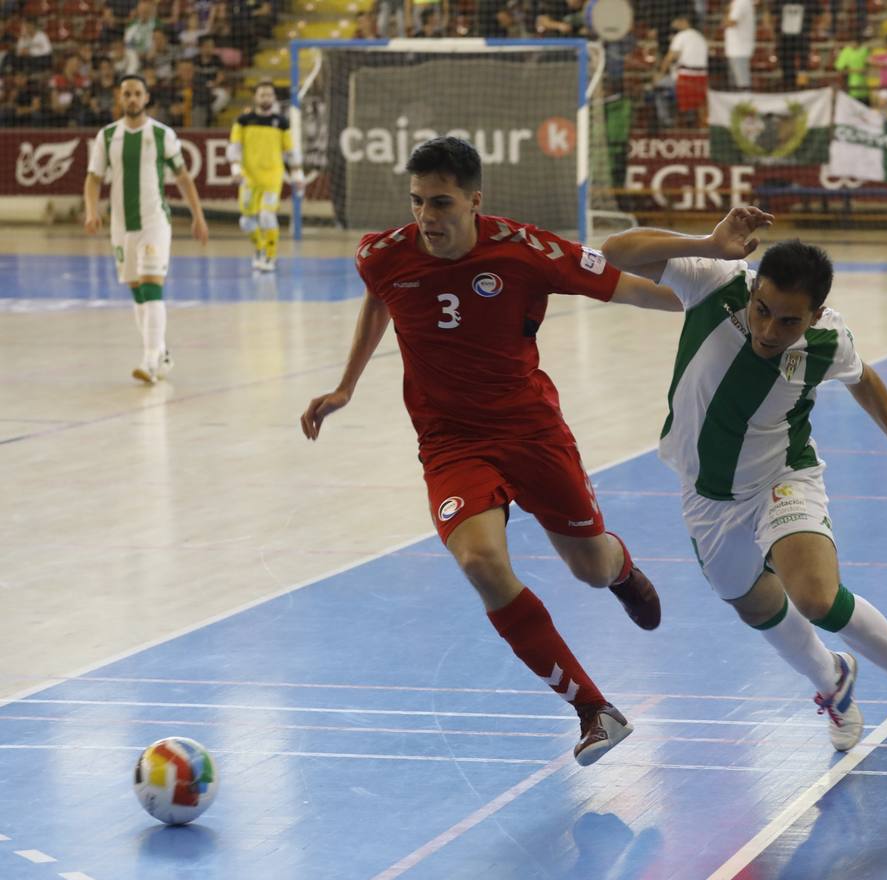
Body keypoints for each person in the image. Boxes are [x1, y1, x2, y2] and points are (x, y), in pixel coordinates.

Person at [299, 136, 678, 766]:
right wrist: (346, 385)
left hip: (531, 431)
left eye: (442, 203)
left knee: (588, 565)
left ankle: (620, 569)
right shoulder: (383, 254)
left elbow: (625, 287)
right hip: (450, 442)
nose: (427, 217)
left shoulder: (526, 250)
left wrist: (717, 308)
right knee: (479, 560)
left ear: (476, 199)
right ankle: (593, 709)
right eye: (418, 202)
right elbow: (379, 299)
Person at [600, 208, 887, 753]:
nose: (767, 330)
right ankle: (833, 681)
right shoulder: (715, 282)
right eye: (762, 311)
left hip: (782, 478)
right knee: (754, 605)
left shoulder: (829, 341)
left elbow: (865, 380)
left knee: (814, 596)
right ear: (754, 290)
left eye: (787, 321)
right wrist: (709, 243)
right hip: (706, 494)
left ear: (815, 316)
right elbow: (616, 250)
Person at [84, 74, 209, 385]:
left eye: (137, 93)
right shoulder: (108, 136)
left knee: (152, 286)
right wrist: (90, 211)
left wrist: (198, 215)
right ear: (119, 98)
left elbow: (182, 177)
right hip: (121, 226)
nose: (132, 99)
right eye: (127, 93)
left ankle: (150, 359)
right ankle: (161, 352)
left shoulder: (162, 134)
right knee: (138, 293)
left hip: (154, 222)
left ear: (147, 97)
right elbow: (93, 179)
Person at [229, 81, 304, 272]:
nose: (266, 98)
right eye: (262, 94)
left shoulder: (281, 123)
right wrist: (236, 171)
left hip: (272, 178)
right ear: (256, 97)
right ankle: (259, 249)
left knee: (267, 217)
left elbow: (290, 151)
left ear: (274, 98)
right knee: (246, 222)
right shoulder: (243, 121)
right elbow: (235, 146)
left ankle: (270, 256)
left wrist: (297, 175)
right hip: (249, 179)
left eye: (269, 95)